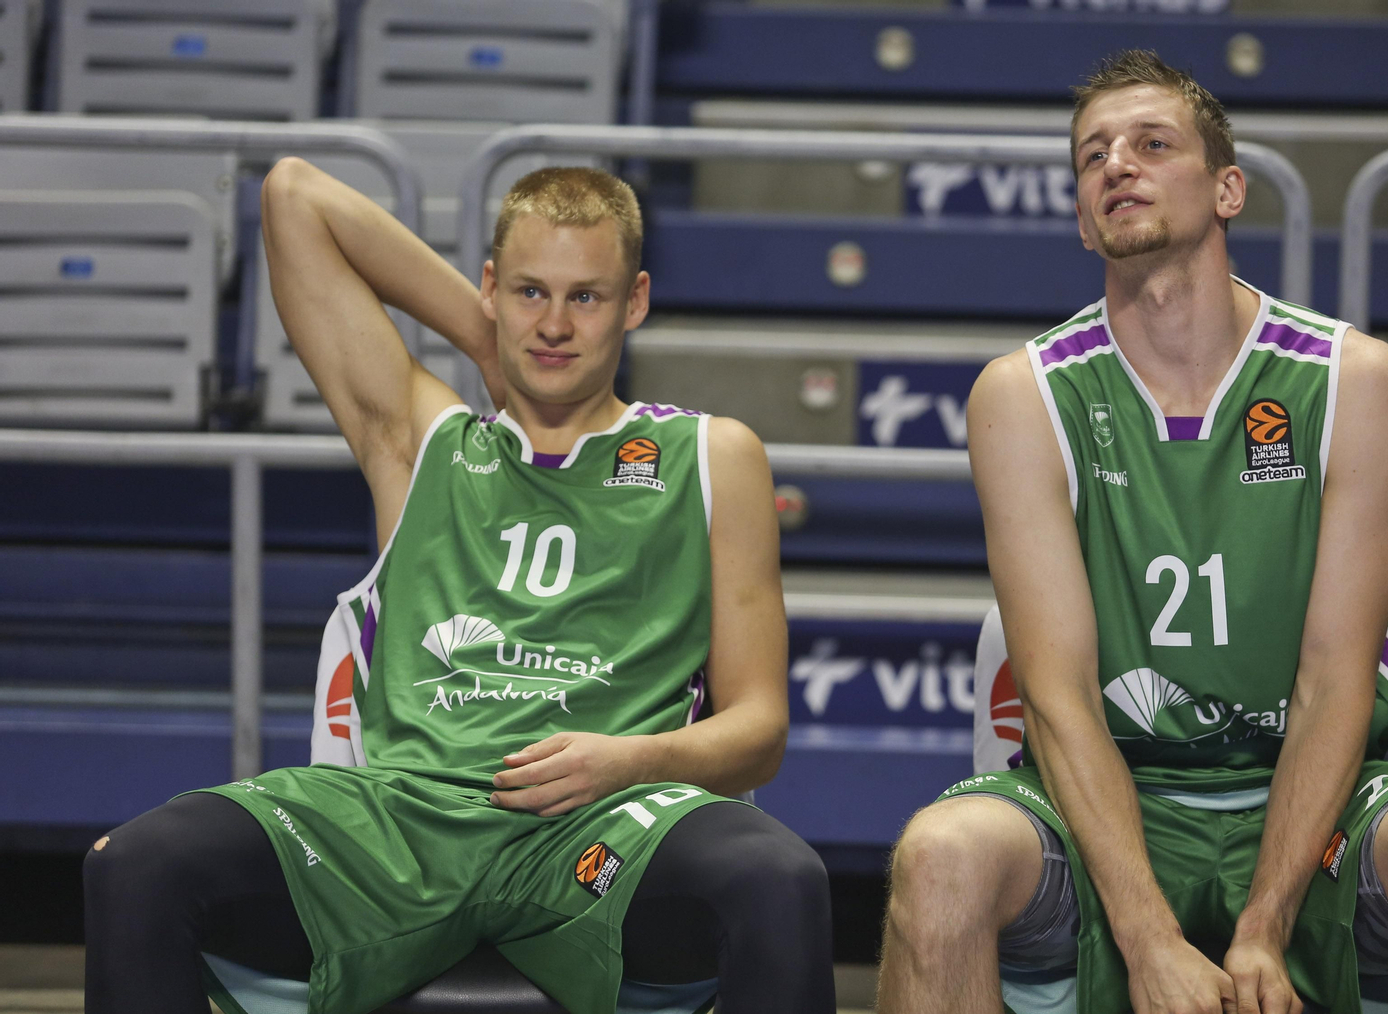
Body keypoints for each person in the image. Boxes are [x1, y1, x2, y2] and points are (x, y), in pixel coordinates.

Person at [82, 161, 835, 1014]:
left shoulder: (711, 457)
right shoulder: (421, 441)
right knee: (136, 866)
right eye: (529, 292)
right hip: (398, 826)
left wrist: (629, 760)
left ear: (635, 301)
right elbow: (293, 197)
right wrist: (484, 340)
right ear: (489, 289)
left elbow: (760, 730)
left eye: (586, 297)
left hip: (603, 830)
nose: (554, 325)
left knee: (780, 880)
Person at [876, 51, 1388, 1014]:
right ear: (1082, 219)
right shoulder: (1022, 395)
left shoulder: (1352, 379)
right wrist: (1149, 939)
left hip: (1315, 793)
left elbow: (1336, 680)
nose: (1117, 165)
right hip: (1119, 790)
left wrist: (1264, 923)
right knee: (939, 858)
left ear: (1228, 189)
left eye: (1152, 145)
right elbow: (1057, 699)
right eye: (1093, 155)